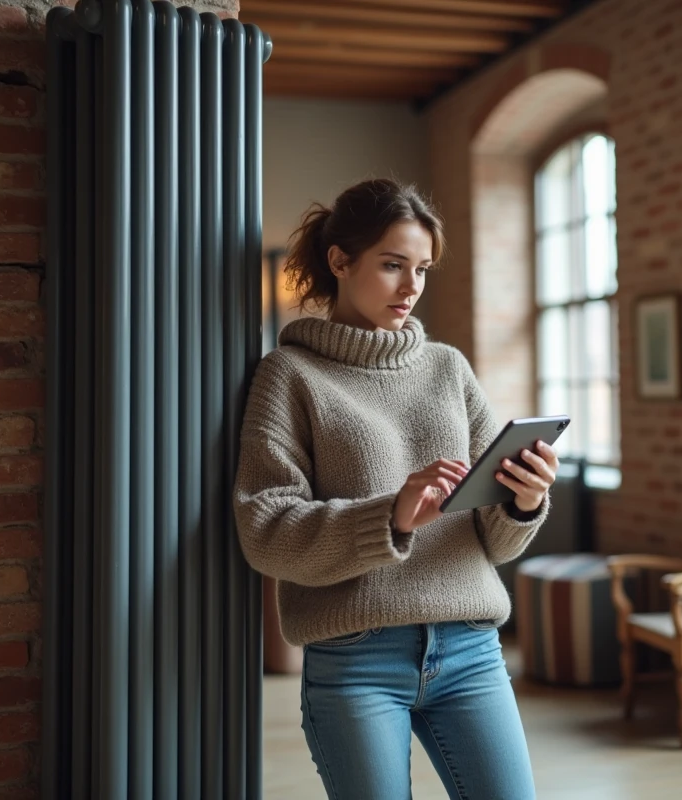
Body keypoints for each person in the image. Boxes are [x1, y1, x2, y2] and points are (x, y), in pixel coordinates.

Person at [233, 177, 557, 799]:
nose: (412, 286)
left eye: (423, 269)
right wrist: (392, 517)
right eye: (392, 265)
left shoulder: (448, 368)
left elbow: (496, 540)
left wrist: (524, 500)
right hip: (355, 659)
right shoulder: (290, 376)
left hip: (471, 649)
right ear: (340, 261)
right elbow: (265, 530)